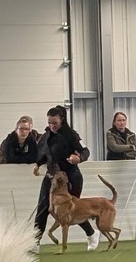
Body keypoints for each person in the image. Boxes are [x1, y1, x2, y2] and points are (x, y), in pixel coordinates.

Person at [31, 105, 100, 253]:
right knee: (43, 208)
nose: (52, 126)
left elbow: (85, 151)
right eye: (49, 123)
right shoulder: (47, 135)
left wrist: (78, 158)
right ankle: (35, 242)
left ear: (62, 120)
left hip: (70, 177)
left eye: (54, 123)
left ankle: (91, 233)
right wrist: (38, 164)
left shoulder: (71, 135)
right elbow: (46, 154)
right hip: (51, 177)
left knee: (71, 212)